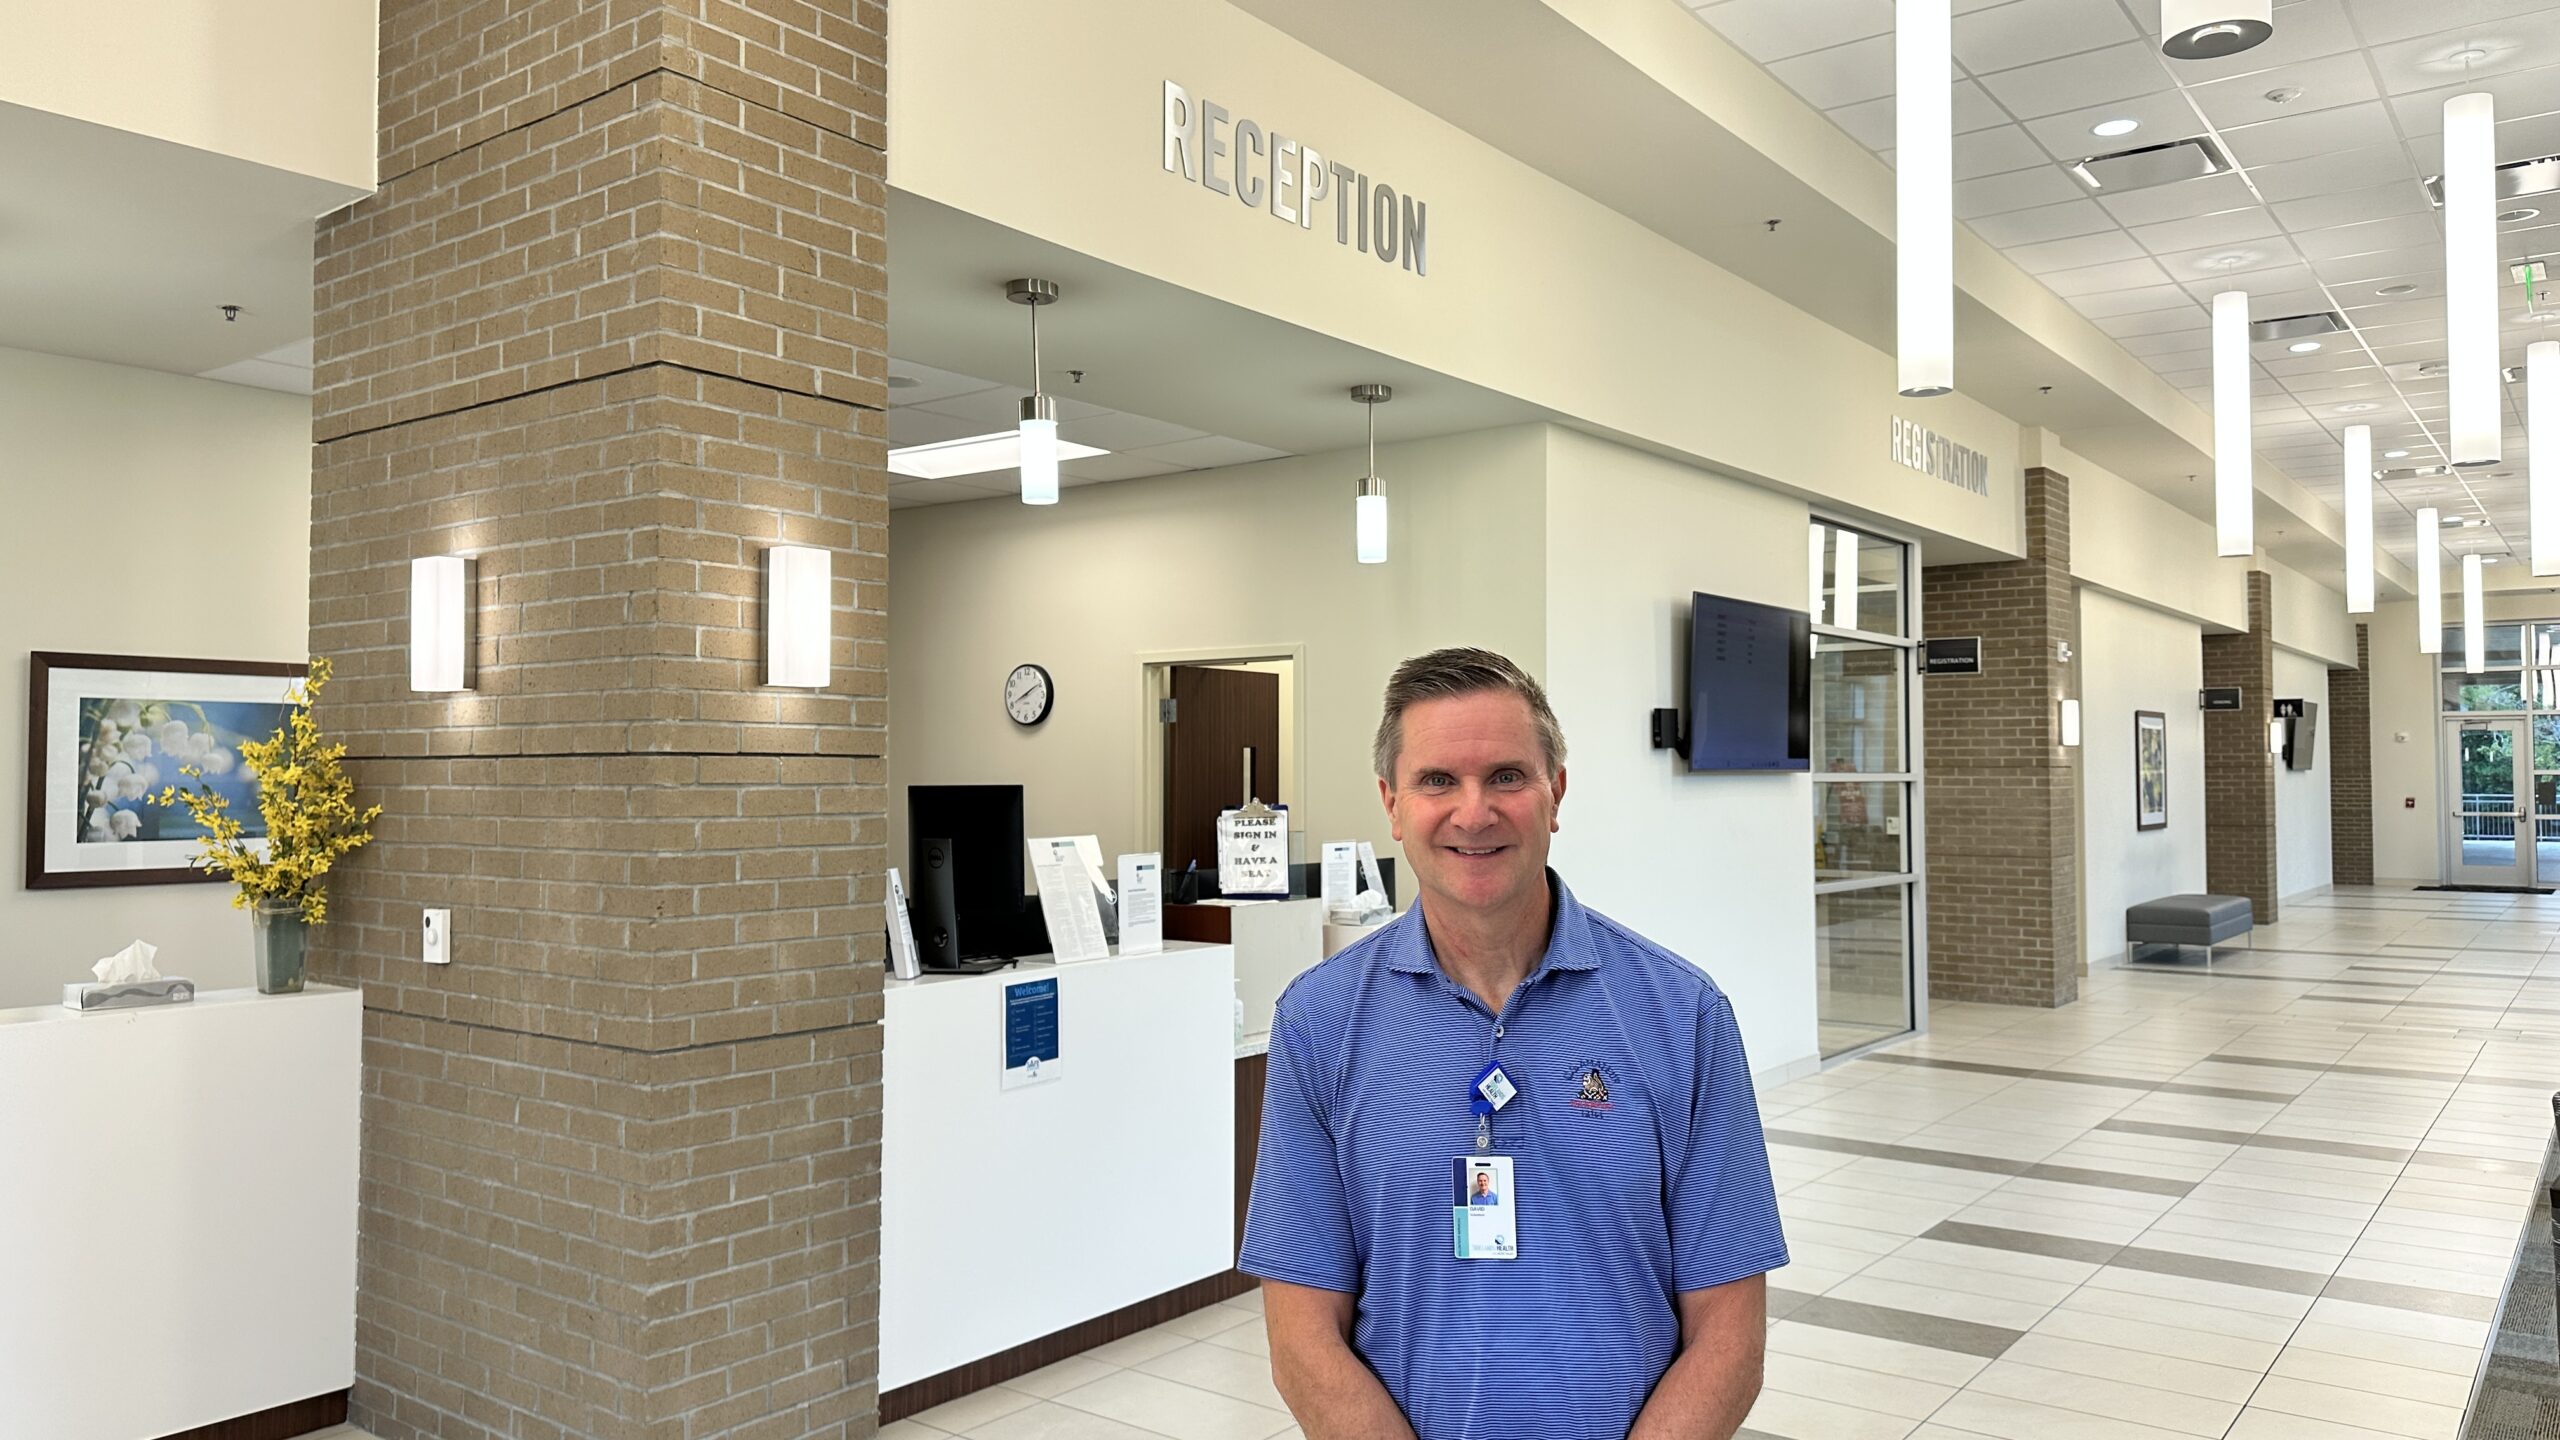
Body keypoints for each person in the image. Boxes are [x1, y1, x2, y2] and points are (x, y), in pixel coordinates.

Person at [1240, 647, 1788, 1440]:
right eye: (1438, 781)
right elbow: (1301, 1336)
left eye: (1507, 776)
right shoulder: (1318, 1023)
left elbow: (1730, 1334)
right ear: (1392, 806)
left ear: (1555, 793)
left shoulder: (1684, 1013)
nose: (1473, 812)